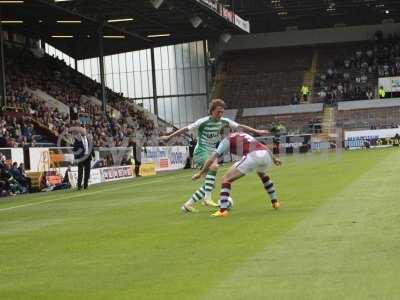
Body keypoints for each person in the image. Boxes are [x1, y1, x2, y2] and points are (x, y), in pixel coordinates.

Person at [161, 99, 268, 212]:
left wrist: (257, 131)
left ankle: (187, 205)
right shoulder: (203, 121)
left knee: (210, 185)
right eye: (218, 112)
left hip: (211, 152)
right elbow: (185, 129)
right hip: (201, 151)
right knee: (214, 167)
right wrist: (169, 137)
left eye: (222, 112)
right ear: (211, 111)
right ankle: (207, 199)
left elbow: (240, 126)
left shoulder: (223, 121)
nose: (220, 114)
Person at [192, 132, 282, 217]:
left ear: (221, 134)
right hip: (266, 155)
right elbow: (263, 146)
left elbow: (212, 158)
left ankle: (222, 210)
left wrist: (201, 172)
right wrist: (274, 159)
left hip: (252, 156)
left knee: (225, 179)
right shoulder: (243, 134)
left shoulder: (226, 139)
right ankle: (275, 202)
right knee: (262, 174)